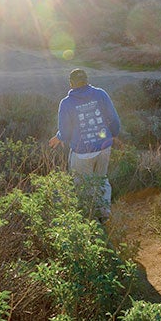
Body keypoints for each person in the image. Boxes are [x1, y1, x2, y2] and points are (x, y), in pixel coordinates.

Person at [49, 68, 121, 222]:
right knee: (101, 180)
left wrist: (59, 137)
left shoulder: (66, 103)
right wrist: (113, 135)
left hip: (82, 153)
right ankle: (103, 216)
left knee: (82, 186)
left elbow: (66, 132)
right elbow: (114, 120)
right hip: (103, 147)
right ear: (87, 80)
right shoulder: (101, 94)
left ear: (71, 84)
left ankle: (87, 220)